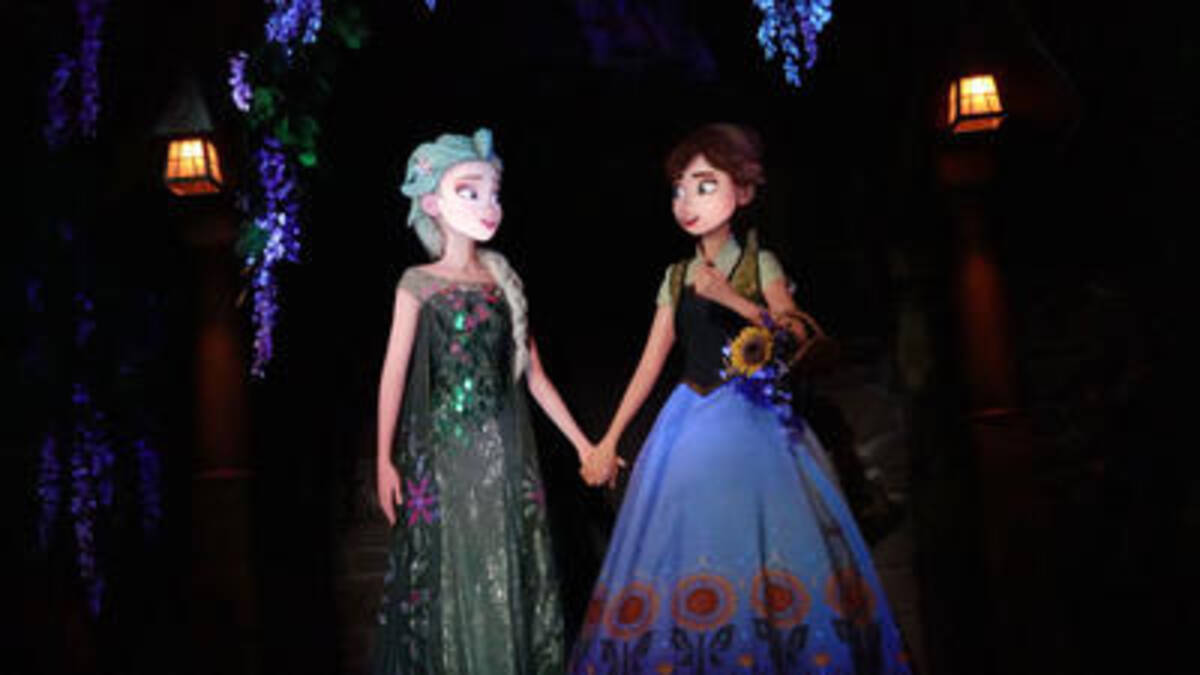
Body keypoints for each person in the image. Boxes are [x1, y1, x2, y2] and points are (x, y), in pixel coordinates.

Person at [573, 123, 912, 673]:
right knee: (687, 545)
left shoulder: (760, 263)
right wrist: (609, 439)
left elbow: (794, 332)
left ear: (745, 191)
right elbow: (651, 361)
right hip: (689, 420)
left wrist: (732, 297)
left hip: (755, 419)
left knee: (766, 540)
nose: (688, 201)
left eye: (705, 185)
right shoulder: (677, 276)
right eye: (680, 189)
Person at [372, 128, 589, 674]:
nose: (487, 205)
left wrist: (585, 445)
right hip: (445, 459)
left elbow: (534, 377)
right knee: (454, 575)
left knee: (507, 573)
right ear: (431, 203)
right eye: (469, 191)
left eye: (492, 193)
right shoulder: (417, 283)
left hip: (507, 457)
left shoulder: (502, 281)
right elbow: (394, 372)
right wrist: (383, 459)